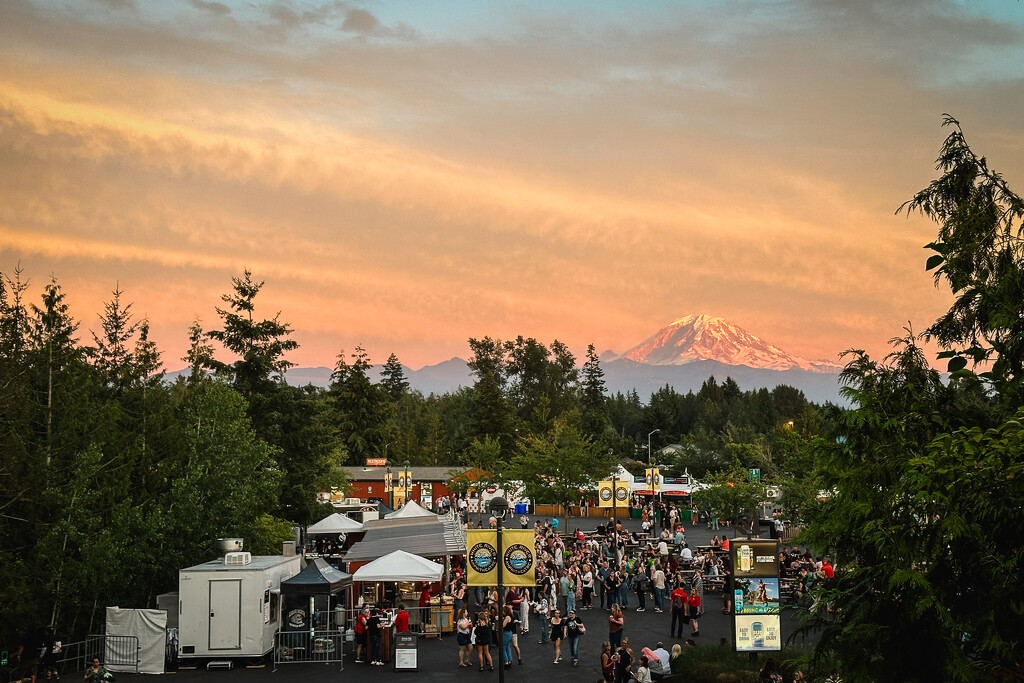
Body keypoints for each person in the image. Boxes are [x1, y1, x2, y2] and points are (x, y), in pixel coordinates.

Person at [501, 605, 516, 669]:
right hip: (510, 633)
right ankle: (510, 660)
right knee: (508, 647)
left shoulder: (507, 617)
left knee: (503, 648)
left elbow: (503, 625)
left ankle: (506, 662)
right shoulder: (511, 616)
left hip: (506, 633)